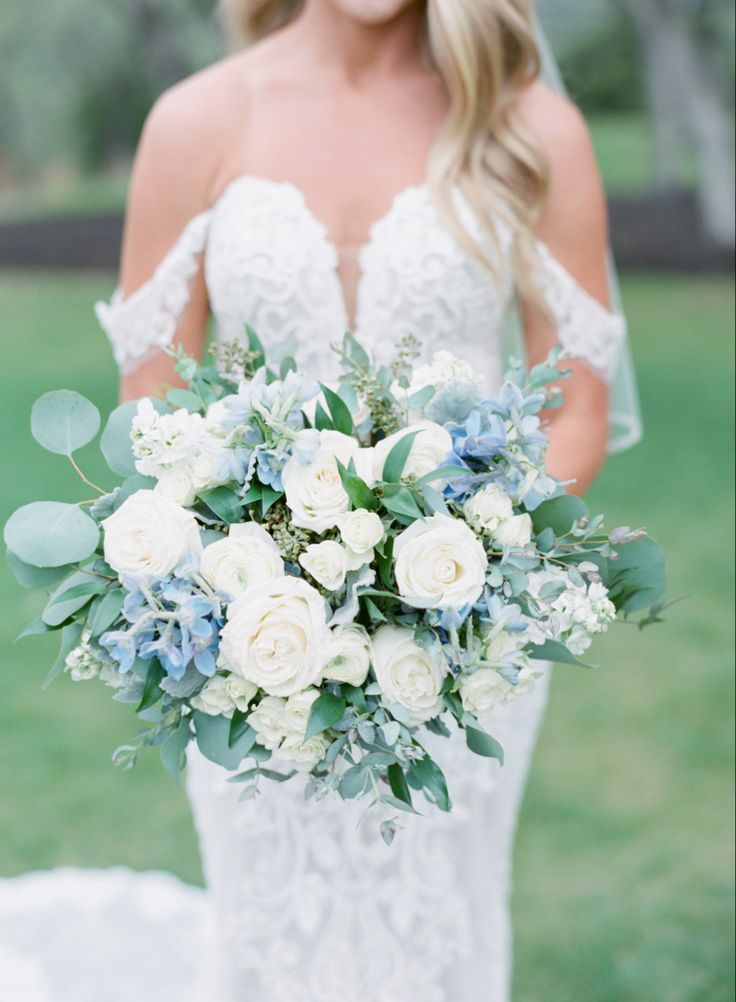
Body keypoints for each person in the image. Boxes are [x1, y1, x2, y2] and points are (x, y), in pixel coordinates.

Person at [94, 2, 628, 999]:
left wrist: (460, 560)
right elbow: (150, 404)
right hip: (248, 636)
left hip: (464, 640)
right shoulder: (197, 120)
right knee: (271, 924)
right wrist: (238, 571)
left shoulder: (526, 127)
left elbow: (579, 405)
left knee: (441, 923)